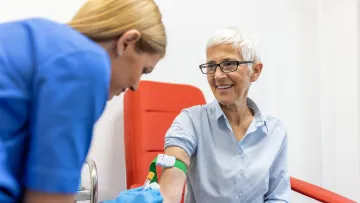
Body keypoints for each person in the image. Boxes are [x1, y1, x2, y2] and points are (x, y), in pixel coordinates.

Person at [0, 0, 166, 202]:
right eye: (144, 70)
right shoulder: (85, 63)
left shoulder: (35, 37)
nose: (136, 86)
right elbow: (48, 198)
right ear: (127, 42)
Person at [159, 27, 291, 203]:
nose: (218, 75)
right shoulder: (190, 121)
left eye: (229, 64)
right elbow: (174, 168)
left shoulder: (275, 130)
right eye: (211, 66)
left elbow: (277, 197)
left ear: (255, 71)